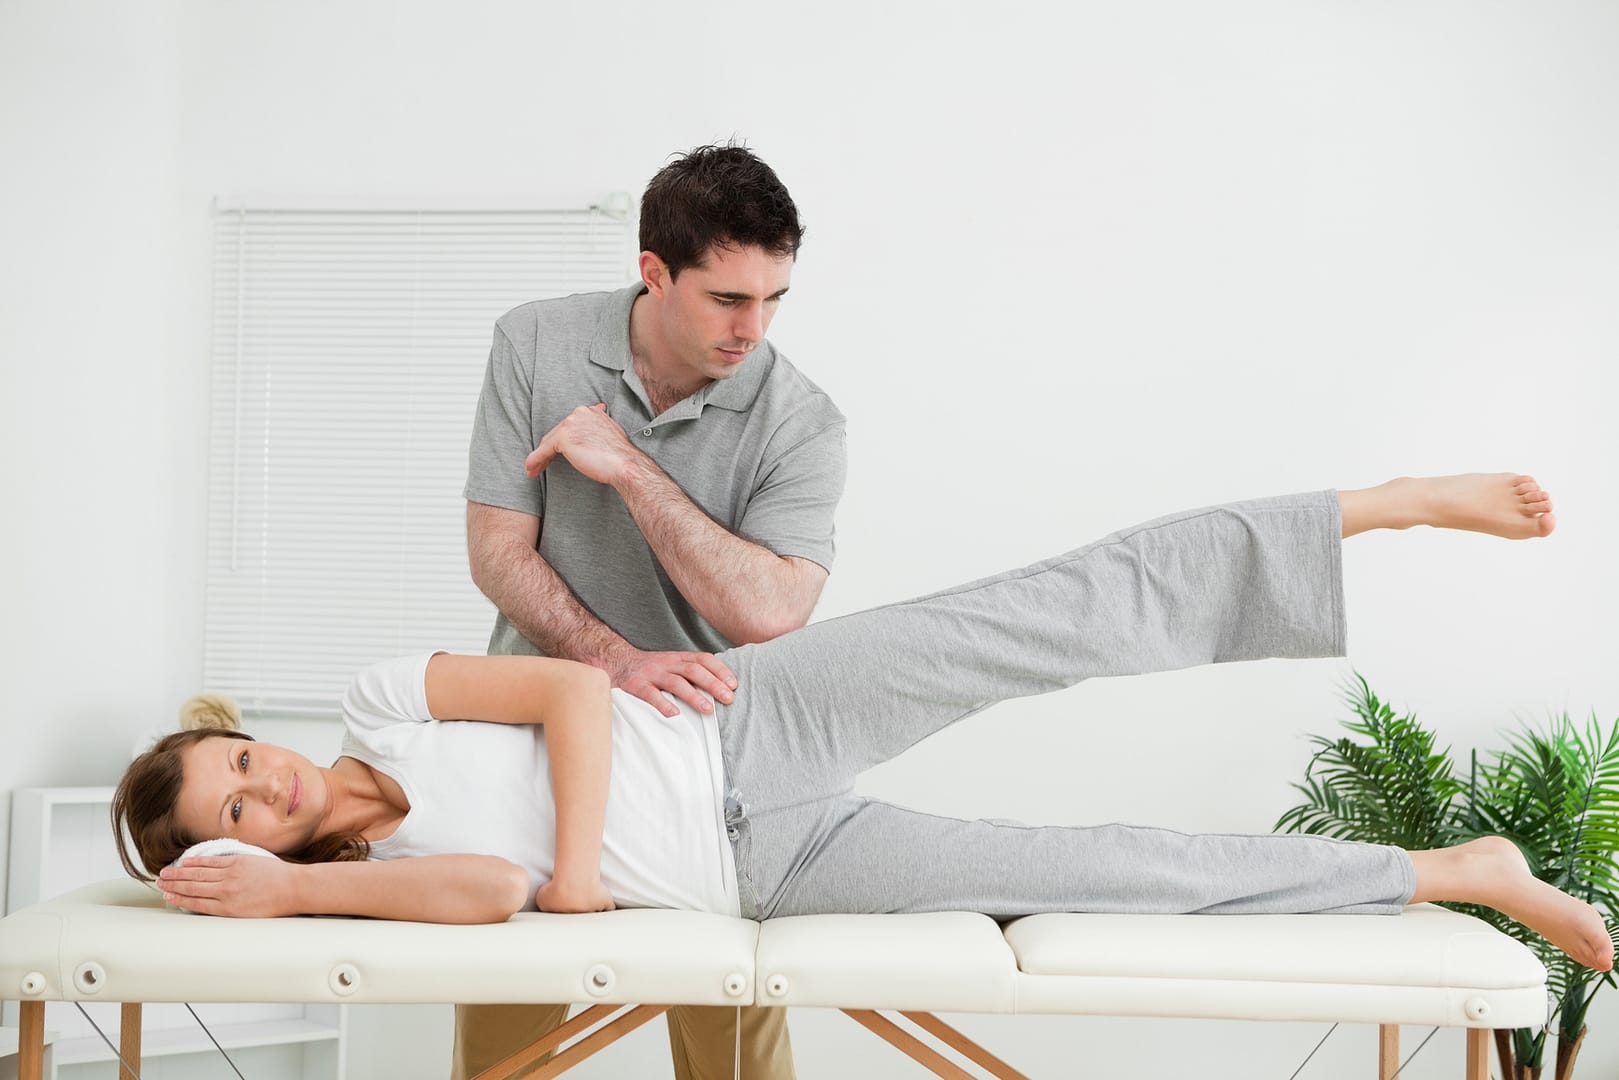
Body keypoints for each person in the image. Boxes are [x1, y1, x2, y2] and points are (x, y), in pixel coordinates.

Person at [117, 474, 1615, 979]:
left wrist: (578, 866)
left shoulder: (381, 699)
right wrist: (300, 886)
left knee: (1059, 608)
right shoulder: (346, 886)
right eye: (237, 811)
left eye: (242, 758)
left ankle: (1387, 506)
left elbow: (572, 691)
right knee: (1116, 869)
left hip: (744, 725)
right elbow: (492, 895)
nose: (267, 785)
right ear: (224, 862)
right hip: (771, 870)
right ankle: (1450, 870)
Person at [460, 143, 844, 1077]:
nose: (752, 328)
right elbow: (497, 553)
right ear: (653, 272)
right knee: (507, 1039)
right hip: (532, 734)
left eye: (774, 299)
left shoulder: (801, 418)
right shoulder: (535, 343)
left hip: (705, 755)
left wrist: (630, 468)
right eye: (726, 298)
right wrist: (614, 664)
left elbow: (772, 610)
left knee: (729, 1035)